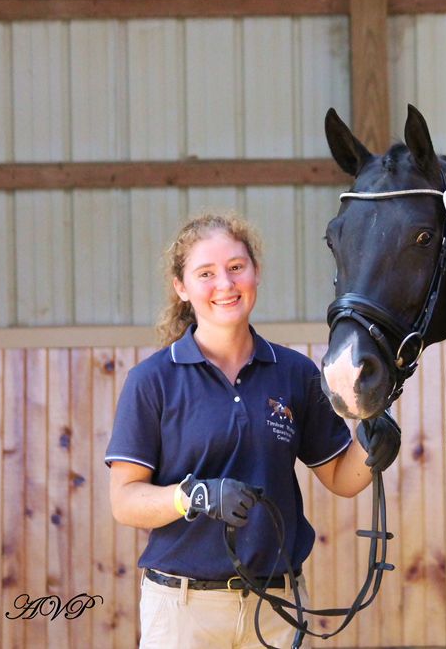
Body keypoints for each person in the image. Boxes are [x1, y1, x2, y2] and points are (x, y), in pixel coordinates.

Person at [105, 212, 400, 649]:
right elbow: (125, 501)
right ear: (181, 288)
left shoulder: (294, 373)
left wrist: (372, 447)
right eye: (205, 273)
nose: (224, 284)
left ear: (255, 273)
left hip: (276, 605)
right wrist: (193, 496)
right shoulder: (153, 380)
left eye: (236, 267)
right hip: (184, 612)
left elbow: (341, 476)